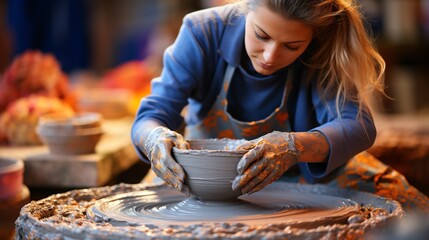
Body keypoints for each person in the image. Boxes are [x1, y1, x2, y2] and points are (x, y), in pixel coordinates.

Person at [132, 0, 429, 210]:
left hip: (304, 173)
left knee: (411, 208)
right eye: (261, 35)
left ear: (310, 39)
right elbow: (152, 115)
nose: (271, 56)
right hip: (203, 181)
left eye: (291, 46)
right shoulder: (203, 31)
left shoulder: (323, 45)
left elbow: (358, 125)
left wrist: (292, 147)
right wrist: (155, 138)